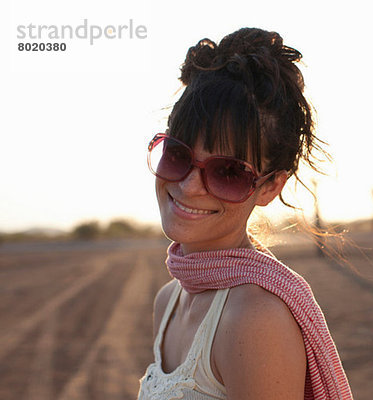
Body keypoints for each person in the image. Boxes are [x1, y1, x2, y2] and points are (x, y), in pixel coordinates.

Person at [137, 28, 353, 400]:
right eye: (177, 154)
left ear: (269, 187)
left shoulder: (255, 318)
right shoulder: (168, 300)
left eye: (228, 172)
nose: (189, 186)